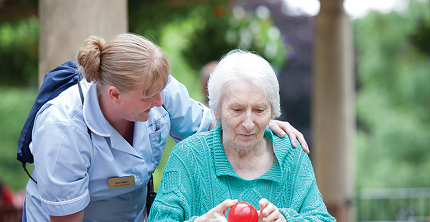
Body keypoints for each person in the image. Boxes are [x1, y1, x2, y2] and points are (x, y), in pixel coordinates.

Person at [23, 34, 308, 222]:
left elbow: (213, 124)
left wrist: (258, 119)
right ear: (114, 95)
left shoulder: (156, 86)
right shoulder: (61, 129)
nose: (160, 102)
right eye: (149, 97)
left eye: (162, 90)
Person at [148, 50, 335, 222]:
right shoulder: (187, 156)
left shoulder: (291, 155)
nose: (248, 123)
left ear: (272, 112)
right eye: (237, 110)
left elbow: (322, 218)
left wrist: (286, 220)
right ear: (217, 110)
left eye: (259, 110)